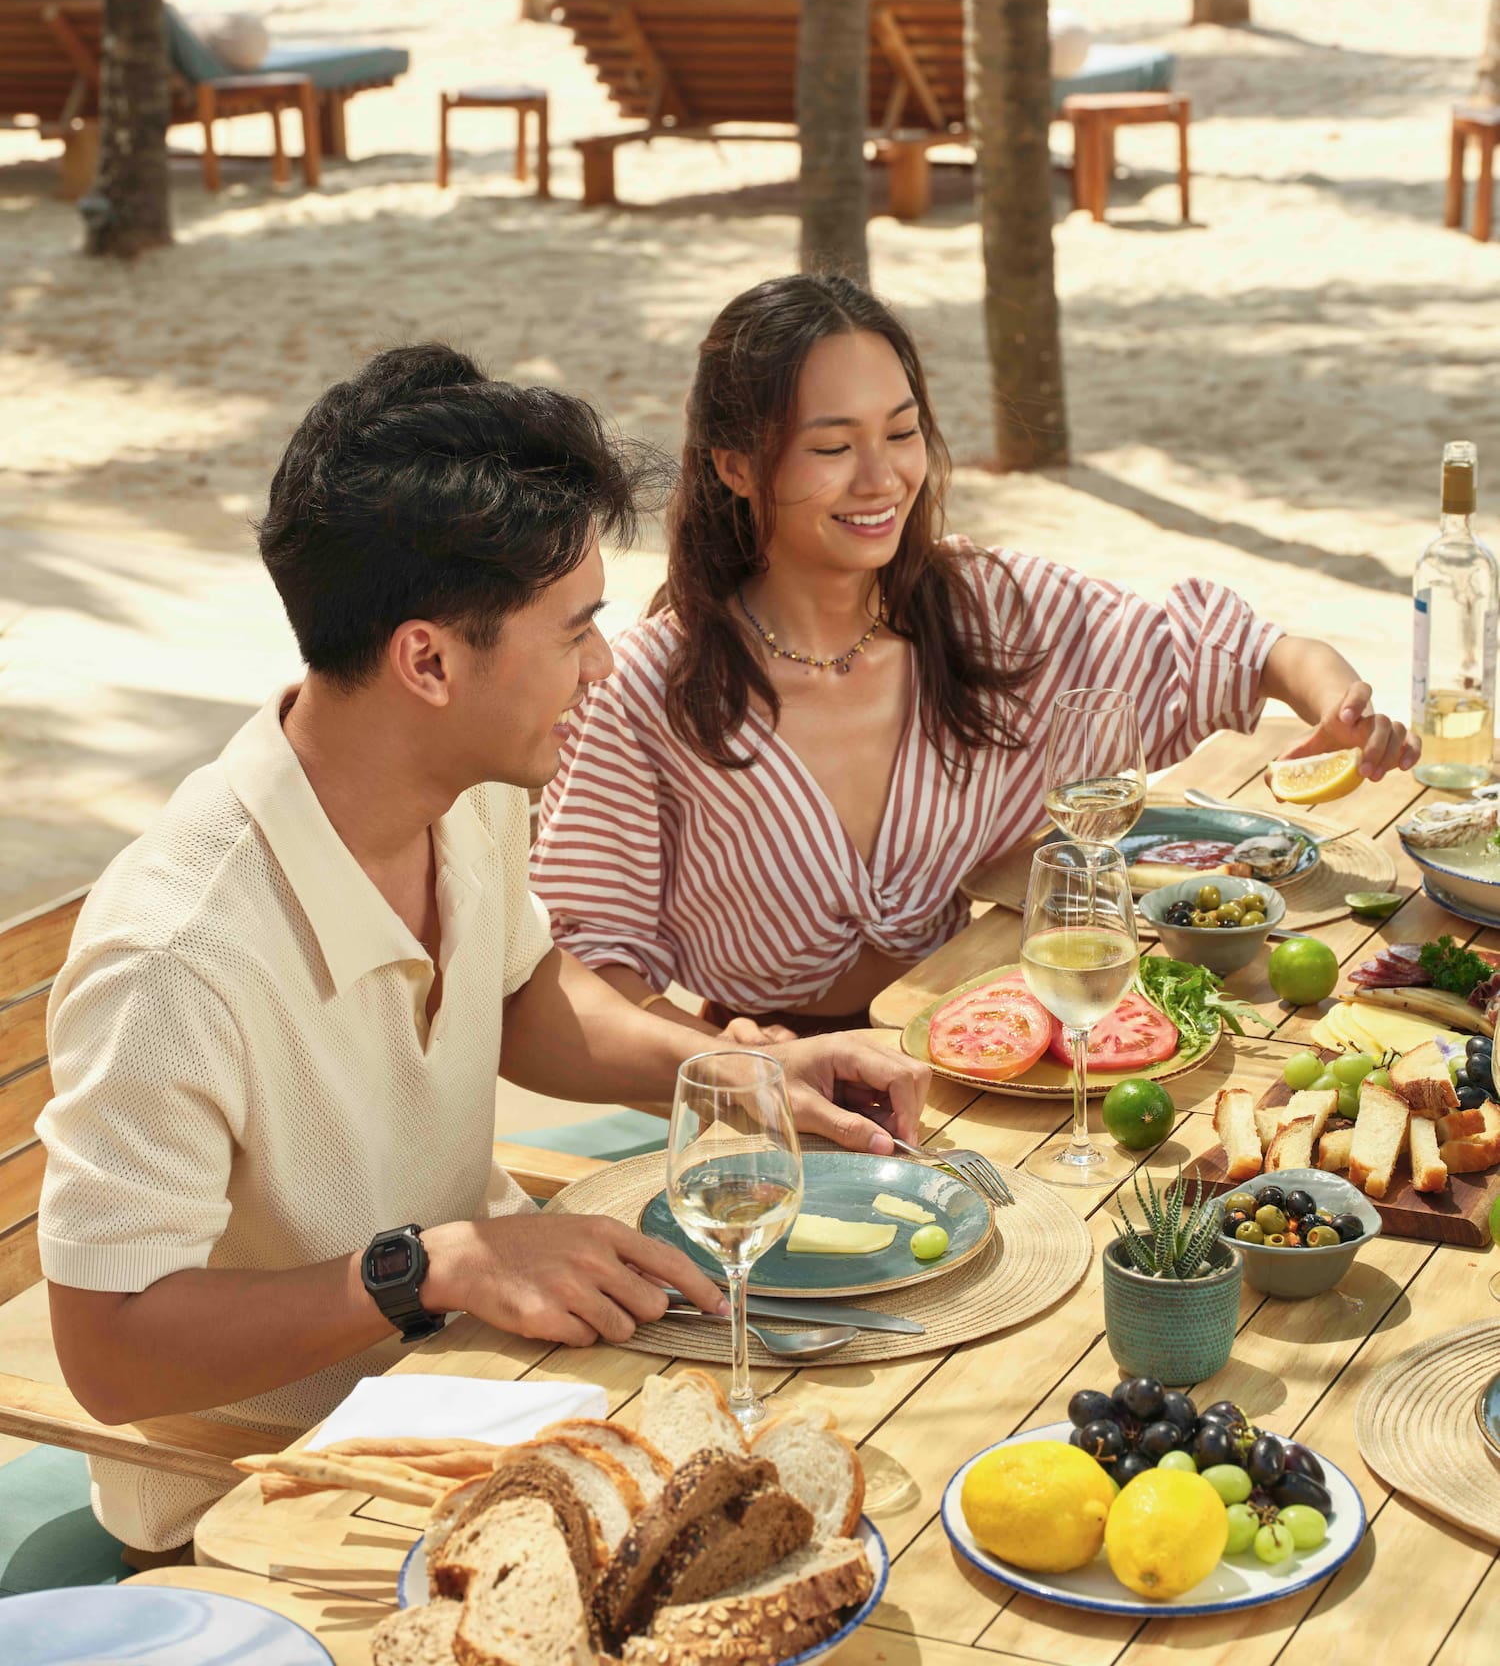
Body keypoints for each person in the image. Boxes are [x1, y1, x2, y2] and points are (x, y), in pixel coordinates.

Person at [37, 344, 927, 1555]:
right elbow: (108, 1351)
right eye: (575, 631)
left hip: (500, 1383)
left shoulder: (472, 785)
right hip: (283, 1498)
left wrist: (726, 1068)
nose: (603, 665)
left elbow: (519, 993)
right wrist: (428, 1268)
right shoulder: (176, 956)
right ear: (430, 660)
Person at [533, 273, 1418, 1038]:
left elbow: (1231, 653)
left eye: (902, 433)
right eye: (833, 447)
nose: (881, 478)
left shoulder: (988, 612)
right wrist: (741, 1069)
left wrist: (1333, 698)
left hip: (992, 1037)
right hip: (775, 1089)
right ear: (734, 466)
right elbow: (585, 960)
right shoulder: (644, 690)